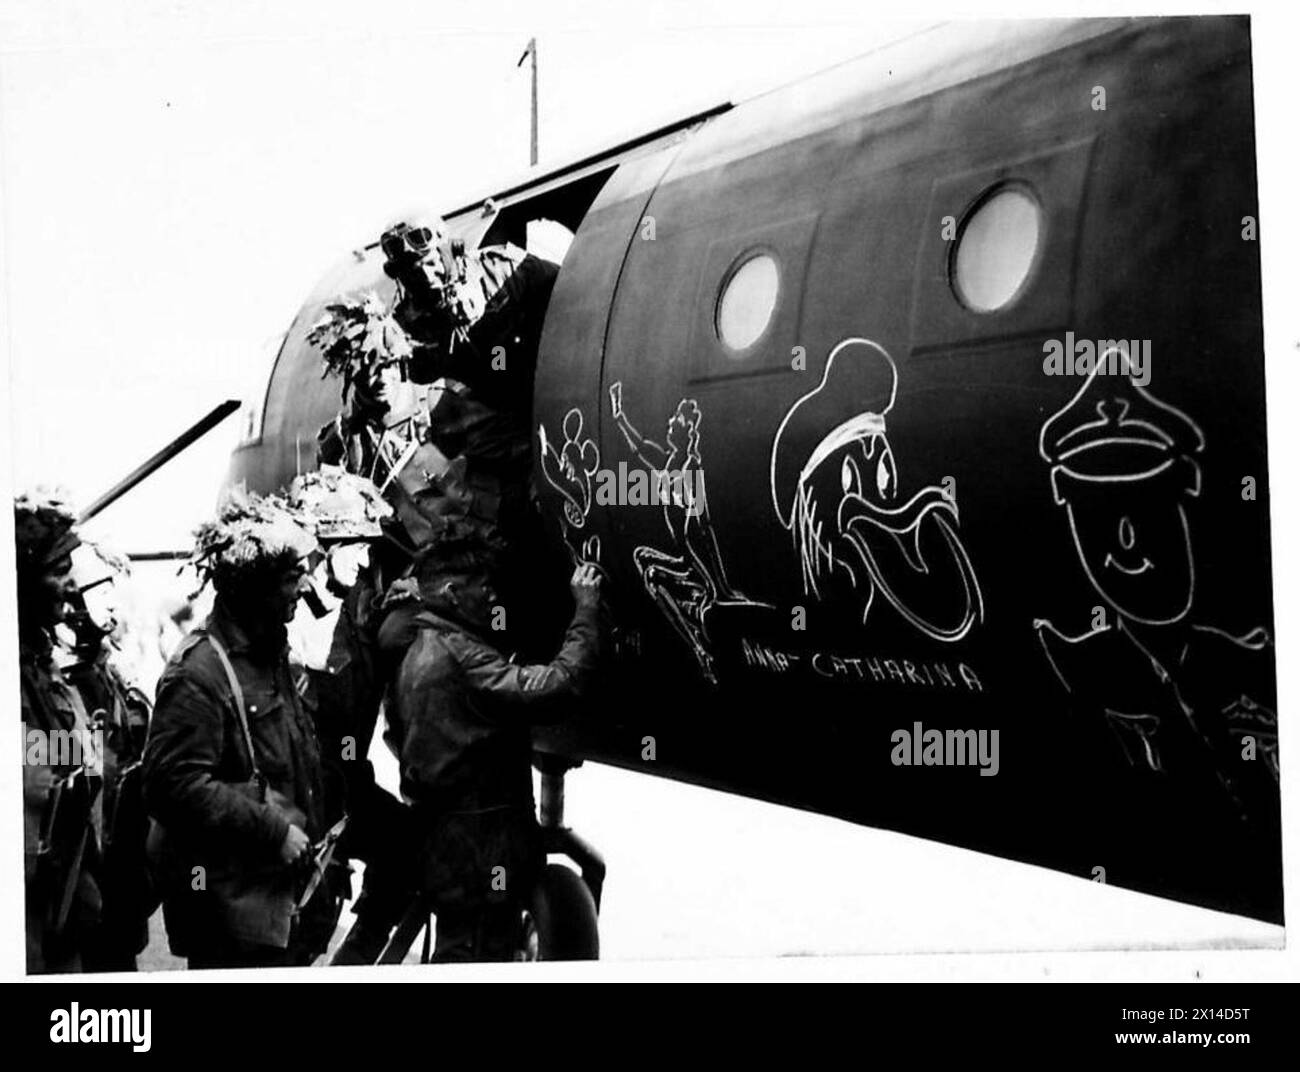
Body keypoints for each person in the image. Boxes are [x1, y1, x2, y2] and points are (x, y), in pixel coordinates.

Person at [143, 490, 341, 969]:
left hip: (273, 906)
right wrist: (272, 830)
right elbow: (172, 785)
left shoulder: (267, 655)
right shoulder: (199, 673)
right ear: (254, 588)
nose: (302, 588)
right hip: (231, 920)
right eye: (291, 578)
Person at [381, 544, 603, 962]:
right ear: (450, 591)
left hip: (447, 852)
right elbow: (558, 686)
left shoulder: (414, 648)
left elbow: (397, 737)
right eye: (483, 588)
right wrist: (586, 612)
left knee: (459, 948)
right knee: (478, 954)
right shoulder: (461, 658)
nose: (492, 598)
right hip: (483, 859)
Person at [286, 466, 419, 964]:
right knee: (300, 924)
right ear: (323, 548)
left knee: (409, 849)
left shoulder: (360, 603)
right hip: (292, 798)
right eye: (355, 545)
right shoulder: (286, 621)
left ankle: (356, 964)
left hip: (344, 787)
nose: (365, 558)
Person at [16, 490, 104, 974]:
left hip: (62, 894)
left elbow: (58, 758)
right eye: (58, 571)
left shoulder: (41, 667)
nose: (72, 588)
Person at [61, 542, 154, 971]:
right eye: (101, 590)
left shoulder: (109, 672)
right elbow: (59, 782)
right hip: (84, 870)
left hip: (122, 869)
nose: (113, 602)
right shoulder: (53, 688)